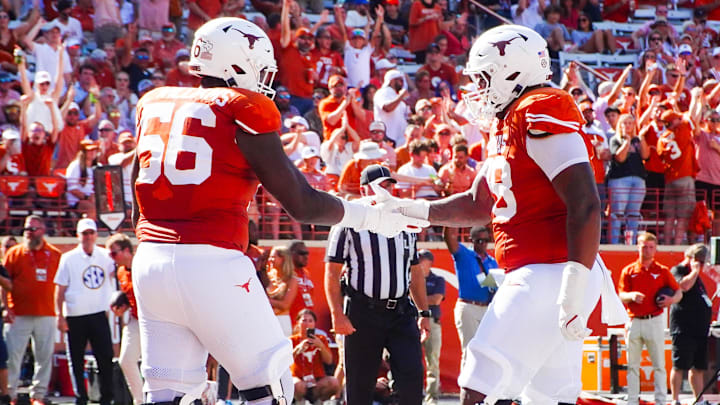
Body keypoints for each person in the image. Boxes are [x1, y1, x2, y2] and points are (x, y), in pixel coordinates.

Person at [131, 17, 425, 405]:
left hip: (150, 261)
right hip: (213, 259)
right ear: (236, 64)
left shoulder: (154, 102)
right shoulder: (243, 106)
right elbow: (301, 204)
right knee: (269, 382)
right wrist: (368, 215)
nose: (266, 78)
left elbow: (136, 197)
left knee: (168, 393)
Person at [390, 24, 628, 405]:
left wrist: (573, 284)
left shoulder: (541, 106)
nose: (478, 89)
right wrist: (410, 211)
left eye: (484, 78)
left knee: (482, 388)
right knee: (547, 398)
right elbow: (479, 203)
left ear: (512, 72)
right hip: (541, 274)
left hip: (549, 272)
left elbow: (585, 203)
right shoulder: (508, 122)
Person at [325, 164, 431, 405]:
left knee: (412, 378)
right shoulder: (349, 221)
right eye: (383, 185)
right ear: (364, 190)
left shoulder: (405, 221)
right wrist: (337, 314)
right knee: (360, 385)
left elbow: (414, 271)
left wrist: (424, 312)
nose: (389, 190)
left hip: (401, 312)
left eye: (391, 185)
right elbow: (331, 272)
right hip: (364, 311)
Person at [54, 218, 116, 405]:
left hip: (99, 313)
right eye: (84, 233)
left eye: (91, 233)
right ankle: (81, 397)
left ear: (96, 235)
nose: (88, 237)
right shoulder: (68, 258)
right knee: (76, 358)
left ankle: (107, 397)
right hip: (75, 315)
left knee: (105, 356)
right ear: (78, 235)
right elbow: (60, 289)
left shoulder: (106, 256)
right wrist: (59, 315)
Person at [2, 215, 61, 405]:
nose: (28, 233)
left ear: (42, 231)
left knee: (44, 357)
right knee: (12, 356)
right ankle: (9, 393)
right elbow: (4, 282)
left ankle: (38, 395)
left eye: (32, 229)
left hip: (47, 312)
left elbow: (62, 284)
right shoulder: (14, 253)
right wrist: (6, 307)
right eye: (26, 229)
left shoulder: (55, 253)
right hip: (18, 312)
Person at [618, 231, 682, 405]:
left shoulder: (662, 271)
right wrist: (631, 296)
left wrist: (670, 300)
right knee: (633, 366)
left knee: (659, 365)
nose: (647, 250)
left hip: (654, 320)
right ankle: (632, 400)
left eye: (651, 247)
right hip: (634, 321)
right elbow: (621, 294)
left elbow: (678, 292)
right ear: (637, 247)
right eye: (644, 246)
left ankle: (660, 401)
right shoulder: (629, 270)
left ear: (656, 249)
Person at [443, 226, 497, 363]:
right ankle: (466, 385)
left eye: (486, 240)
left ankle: (482, 384)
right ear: (471, 240)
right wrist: (451, 218)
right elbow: (449, 238)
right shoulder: (464, 254)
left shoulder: (492, 262)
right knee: (470, 351)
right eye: (479, 241)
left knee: (486, 352)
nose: (483, 244)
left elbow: (495, 287)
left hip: (487, 308)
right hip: (468, 306)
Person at [669, 244, 712, 405]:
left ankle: (698, 399)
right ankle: (675, 399)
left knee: (698, 366)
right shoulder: (679, 270)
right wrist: (694, 271)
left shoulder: (698, 278)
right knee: (679, 365)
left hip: (699, 329)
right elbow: (683, 286)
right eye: (699, 262)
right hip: (683, 327)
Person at [106, 233, 143, 405]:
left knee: (157, 366)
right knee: (126, 360)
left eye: (114, 253)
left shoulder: (141, 266)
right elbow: (130, 297)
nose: (111, 258)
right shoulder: (121, 271)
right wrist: (123, 306)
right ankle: (140, 400)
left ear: (127, 250)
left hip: (154, 320)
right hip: (136, 319)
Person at [290, 309, 339, 403]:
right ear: (298, 322)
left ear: (314, 324)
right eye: (304, 320)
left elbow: (329, 361)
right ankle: (300, 402)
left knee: (334, 382)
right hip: (299, 378)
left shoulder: (321, 339)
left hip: (317, 378)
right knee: (298, 385)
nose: (307, 324)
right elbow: (286, 361)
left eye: (310, 321)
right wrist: (297, 349)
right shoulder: (292, 340)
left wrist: (321, 346)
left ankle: (318, 402)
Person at [418, 249, 444, 405]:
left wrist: (418, 299)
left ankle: (431, 398)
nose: (419, 262)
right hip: (413, 321)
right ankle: (407, 394)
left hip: (432, 322)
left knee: (432, 361)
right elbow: (432, 299)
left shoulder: (437, 279)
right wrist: (426, 300)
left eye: (422, 259)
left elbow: (437, 299)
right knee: (408, 359)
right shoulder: (411, 279)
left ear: (429, 262)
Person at [266, 246, 298, 336]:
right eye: (270, 257)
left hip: (282, 321)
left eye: (273, 257)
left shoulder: (292, 280)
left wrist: (266, 301)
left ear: (283, 259)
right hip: (267, 320)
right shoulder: (268, 277)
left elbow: (285, 305)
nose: (270, 260)